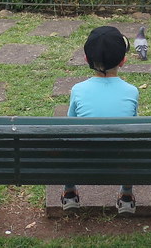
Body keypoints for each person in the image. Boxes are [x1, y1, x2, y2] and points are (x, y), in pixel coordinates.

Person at [61, 26, 139, 214]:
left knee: (67, 143)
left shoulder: (78, 90)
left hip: (84, 158)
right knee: (132, 145)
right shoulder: (132, 91)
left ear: (86, 59)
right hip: (120, 160)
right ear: (123, 61)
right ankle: (126, 195)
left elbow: (70, 125)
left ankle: (70, 192)